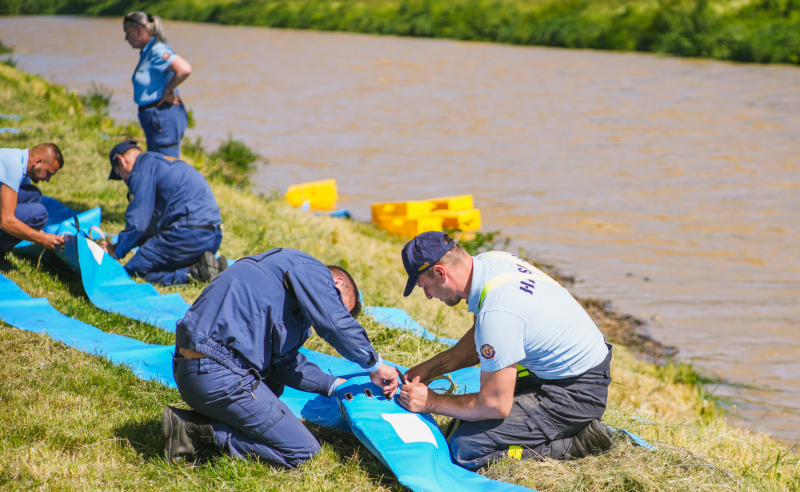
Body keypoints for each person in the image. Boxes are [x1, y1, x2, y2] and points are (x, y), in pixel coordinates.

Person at [162, 248, 401, 468]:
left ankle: (211, 420)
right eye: (339, 306)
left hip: (194, 368)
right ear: (335, 283)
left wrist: (335, 385)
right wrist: (375, 364)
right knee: (303, 452)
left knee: (273, 384)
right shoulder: (311, 270)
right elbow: (335, 324)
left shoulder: (283, 279)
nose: (331, 310)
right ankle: (196, 429)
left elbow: (282, 363)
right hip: (217, 371)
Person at [396, 231, 615, 470]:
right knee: (465, 417)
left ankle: (582, 442)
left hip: (576, 394)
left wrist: (432, 401)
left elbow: (495, 405)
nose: (427, 295)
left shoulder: (498, 315)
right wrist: (426, 370)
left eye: (424, 286)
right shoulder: (492, 261)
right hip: (578, 363)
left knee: (467, 447)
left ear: (440, 273)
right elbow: (478, 343)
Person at [101, 140, 228, 285]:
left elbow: (139, 223)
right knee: (152, 252)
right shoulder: (160, 163)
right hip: (212, 236)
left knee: (134, 269)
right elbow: (150, 227)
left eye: (121, 176)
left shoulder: (141, 169)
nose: (124, 181)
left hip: (189, 233)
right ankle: (210, 266)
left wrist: (117, 251)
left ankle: (195, 273)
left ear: (121, 160)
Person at [123, 11, 192, 157]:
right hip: (157, 117)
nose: (126, 38)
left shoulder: (157, 50)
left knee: (165, 166)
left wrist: (168, 91)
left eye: (128, 33)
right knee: (159, 164)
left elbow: (184, 69)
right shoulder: (149, 51)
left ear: (139, 30)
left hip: (162, 116)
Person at [0, 144, 65, 266]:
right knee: (38, 214)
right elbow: (6, 221)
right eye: (48, 173)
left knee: (33, 195)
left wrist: (46, 236)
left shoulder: (18, 161)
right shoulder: (14, 166)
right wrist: (41, 239)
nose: (47, 179)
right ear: (37, 162)